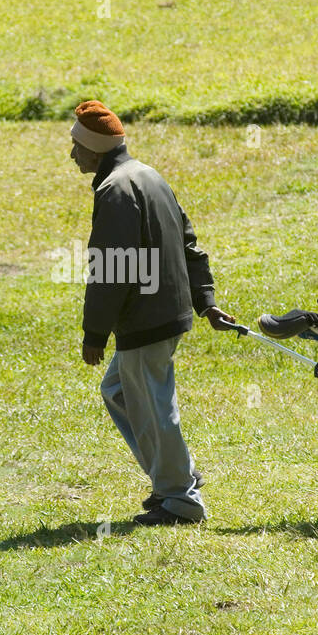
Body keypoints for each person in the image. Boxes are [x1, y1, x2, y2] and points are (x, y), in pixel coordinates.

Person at [68, 100, 236, 525]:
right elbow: (190, 244)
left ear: (96, 149)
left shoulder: (116, 190)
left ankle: (181, 500)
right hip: (168, 310)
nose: (72, 154)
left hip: (146, 318)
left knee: (154, 406)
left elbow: (112, 270)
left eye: (77, 146)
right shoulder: (149, 175)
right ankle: (177, 476)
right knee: (119, 391)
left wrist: (94, 334)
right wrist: (207, 303)